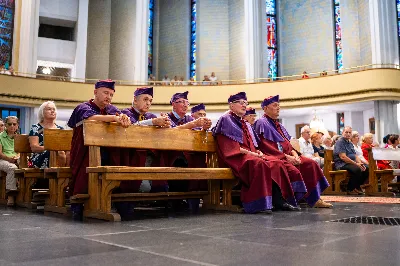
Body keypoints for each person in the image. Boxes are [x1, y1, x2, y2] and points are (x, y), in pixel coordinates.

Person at [213, 92, 300, 213]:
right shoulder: (226, 120)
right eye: (240, 102)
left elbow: (253, 145)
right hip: (235, 158)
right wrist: (254, 154)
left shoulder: (244, 123)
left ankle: (279, 200)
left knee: (276, 162)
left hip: (249, 155)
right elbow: (232, 149)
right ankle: (256, 204)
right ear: (231, 105)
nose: (244, 105)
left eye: (245, 103)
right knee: (259, 164)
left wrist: (257, 152)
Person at [67, 80, 131, 220]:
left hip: (107, 149)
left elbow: (123, 118)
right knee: (86, 170)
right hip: (84, 150)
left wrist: (123, 117)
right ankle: (77, 205)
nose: (109, 97)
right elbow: (91, 118)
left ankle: (106, 201)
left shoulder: (112, 109)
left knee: (116, 161)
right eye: (106, 93)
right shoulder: (83, 107)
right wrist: (115, 118)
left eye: (111, 94)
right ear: (95, 92)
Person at [254, 95, 331, 208]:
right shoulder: (261, 123)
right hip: (275, 157)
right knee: (294, 170)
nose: (278, 108)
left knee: (311, 163)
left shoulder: (279, 125)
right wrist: (286, 157)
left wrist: (295, 154)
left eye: (279, 105)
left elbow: (287, 144)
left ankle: (315, 197)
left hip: (289, 155)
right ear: (265, 108)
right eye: (275, 105)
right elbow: (266, 147)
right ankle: (296, 198)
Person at [164, 91, 212, 210]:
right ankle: (176, 202)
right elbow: (169, 134)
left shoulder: (189, 118)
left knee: (201, 163)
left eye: (187, 102)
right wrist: (192, 124)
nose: (185, 105)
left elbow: (197, 136)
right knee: (182, 163)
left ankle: (195, 201)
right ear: (173, 104)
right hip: (171, 155)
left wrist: (204, 129)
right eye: (182, 102)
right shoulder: (166, 117)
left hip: (189, 155)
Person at [120, 87, 171, 193]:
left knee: (162, 186)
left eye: (150, 101)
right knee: (145, 187)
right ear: (135, 100)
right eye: (145, 99)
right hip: (130, 158)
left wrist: (165, 126)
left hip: (149, 158)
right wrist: (153, 122)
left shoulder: (150, 116)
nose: (148, 103)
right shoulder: (125, 113)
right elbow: (132, 128)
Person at [29, 101, 68, 189]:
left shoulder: (60, 129)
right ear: (42, 112)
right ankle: (58, 183)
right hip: (40, 156)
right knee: (56, 152)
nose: (52, 111)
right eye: (49, 109)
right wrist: (51, 148)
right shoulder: (36, 128)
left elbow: (66, 146)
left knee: (69, 154)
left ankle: (65, 181)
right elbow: (34, 147)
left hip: (59, 155)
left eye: (54, 109)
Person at [334, 126, 368, 195]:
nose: (348, 134)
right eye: (346, 132)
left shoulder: (349, 143)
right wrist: (356, 164)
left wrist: (359, 163)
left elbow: (355, 155)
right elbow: (343, 157)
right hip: (342, 164)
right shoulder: (340, 142)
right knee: (357, 169)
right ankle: (350, 189)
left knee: (367, 168)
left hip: (351, 163)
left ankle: (357, 186)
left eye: (350, 132)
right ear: (342, 132)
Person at [0, 116, 19, 206]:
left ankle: (26, 193)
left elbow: (21, 152)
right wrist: (9, 159)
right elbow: (0, 154)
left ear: (17, 125)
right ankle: (11, 196)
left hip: (16, 158)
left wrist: (17, 157)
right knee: (12, 168)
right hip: (3, 160)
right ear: (6, 125)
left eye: (14, 124)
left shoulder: (20, 137)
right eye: (9, 124)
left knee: (28, 165)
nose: (12, 126)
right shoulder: (0, 136)